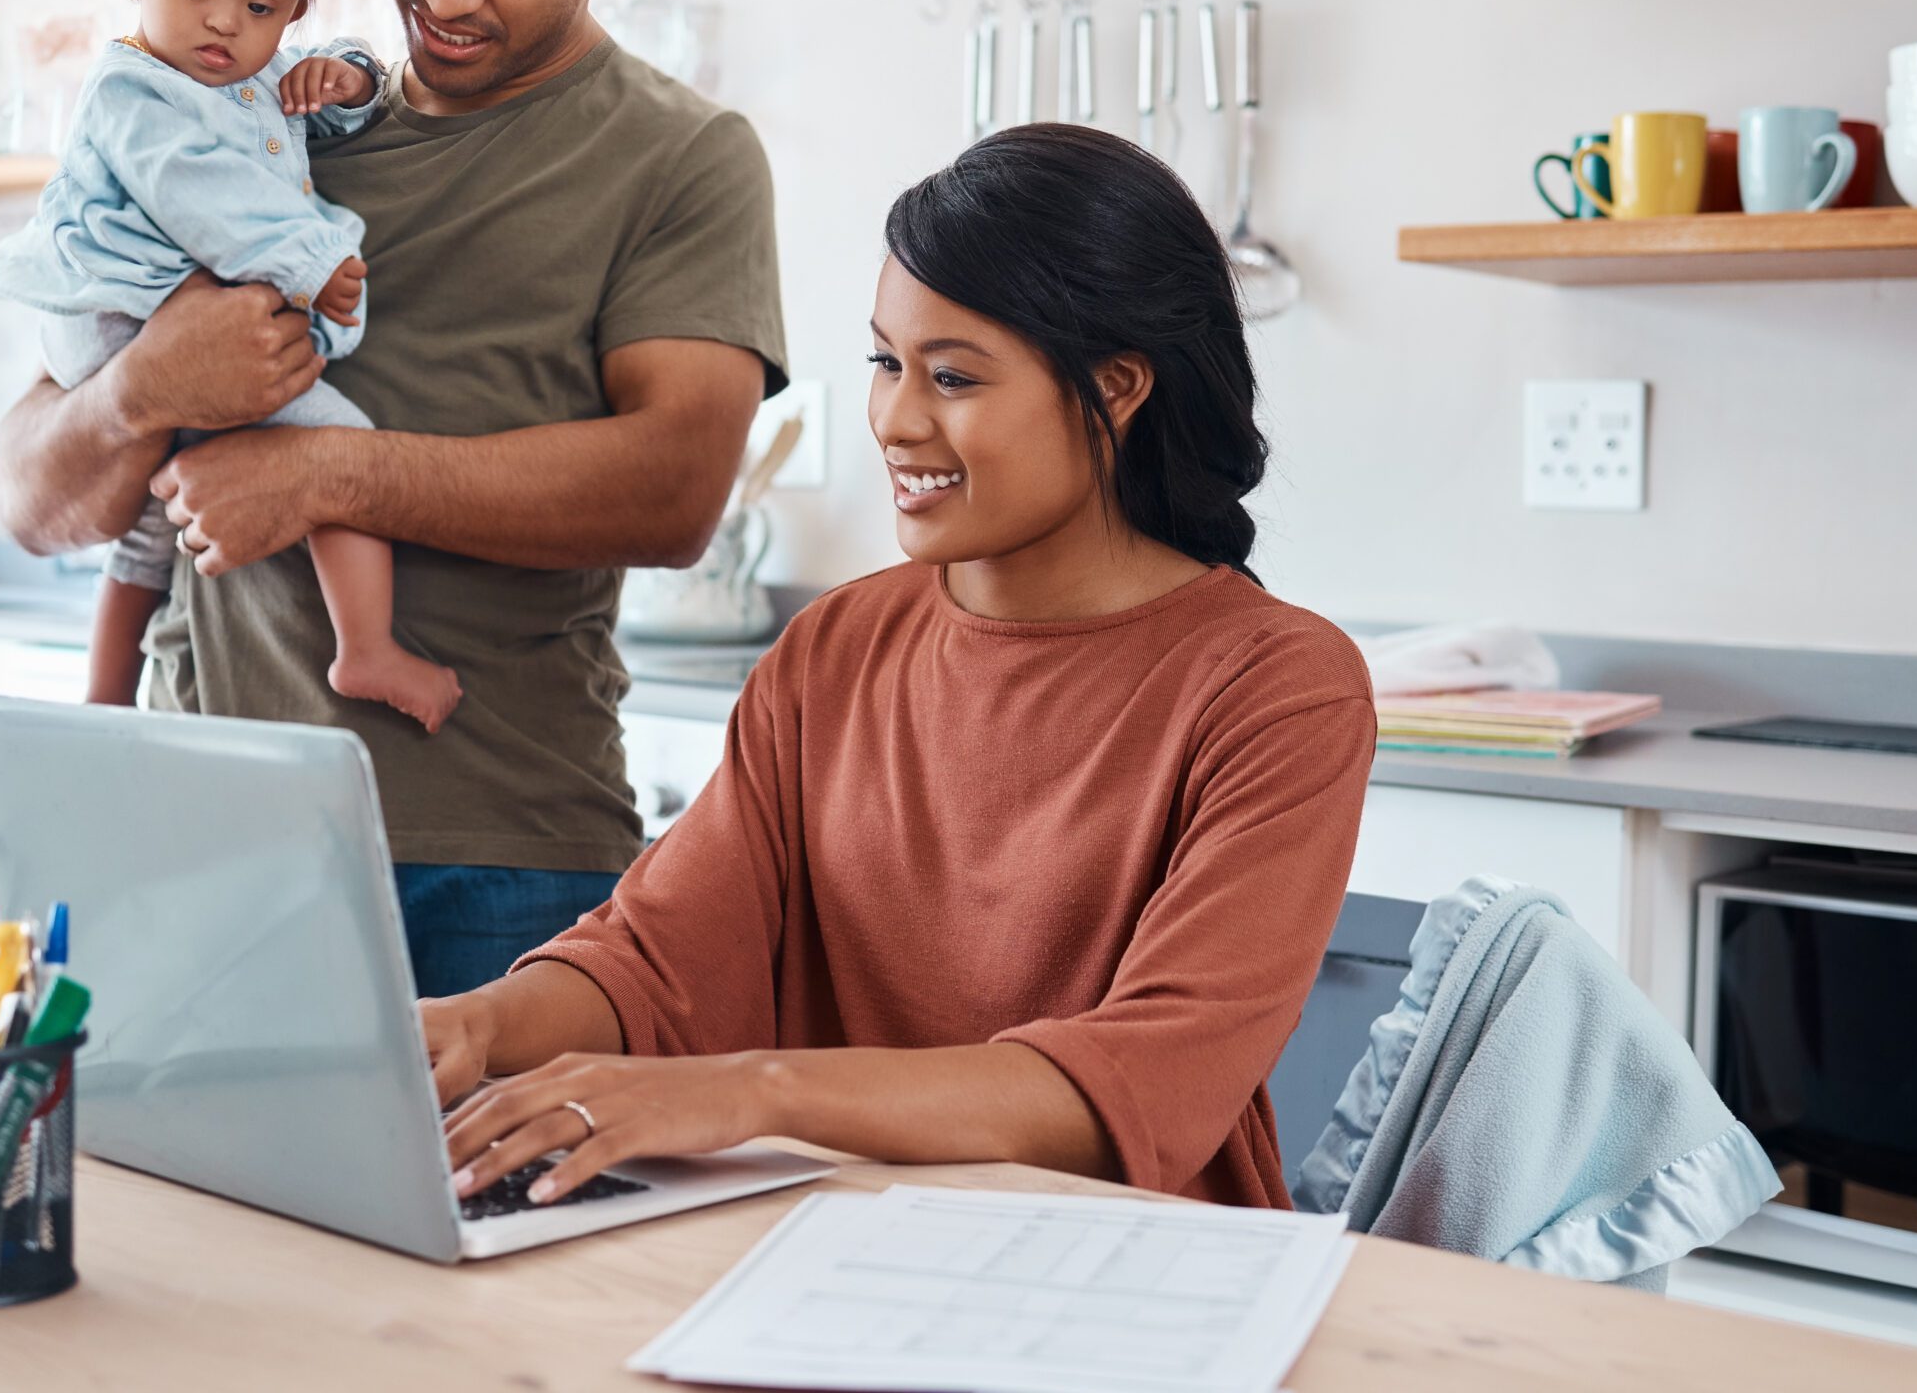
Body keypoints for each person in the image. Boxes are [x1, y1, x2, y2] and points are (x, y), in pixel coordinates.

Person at [0, 0, 786, 996]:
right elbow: (31, 493)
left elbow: (677, 488)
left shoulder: (682, 158)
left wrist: (330, 474)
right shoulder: (255, 124)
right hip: (203, 834)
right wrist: (141, 388)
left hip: (507, 865)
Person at [425, 125, 1377, 1211]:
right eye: (885, 361)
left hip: (1134, 1277)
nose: (896, 419)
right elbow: (660, 956)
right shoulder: (835, 648)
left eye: (954, 377)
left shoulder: (1276, 687)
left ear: (1116, 388)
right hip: (826, 1240)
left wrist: (756, 1093)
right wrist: (471, 1025)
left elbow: (1147, 1084)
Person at [0, 0, 459, 730]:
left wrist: (344, 76)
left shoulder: (252, 74)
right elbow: (206, 199)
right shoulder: (136, 89)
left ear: (293, 10)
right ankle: (370, 649)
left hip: (140, 314)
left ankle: (103, 703)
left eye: (262, 6)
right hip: (118, 315)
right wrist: (313, 269)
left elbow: (324, 109)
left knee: (152, 526)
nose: (225, 23)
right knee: (340, 439)